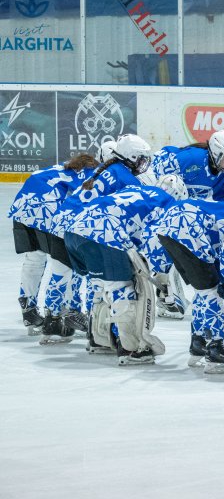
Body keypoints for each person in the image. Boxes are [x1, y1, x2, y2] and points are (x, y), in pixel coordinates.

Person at [63, 175, 187, 363]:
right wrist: (163, 278)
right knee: (123, 288)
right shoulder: (167, 203)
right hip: (104, 234)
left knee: (100, 286)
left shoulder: (138, 192)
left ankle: (100, 340)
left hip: (74, 232)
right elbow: (154, 242)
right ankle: (132, 348)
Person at [148, 197, 224, 374]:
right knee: (210, 291)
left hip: (169, 228)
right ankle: (215, 348)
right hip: (188, 228)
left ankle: (198, 342)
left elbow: (223, 256)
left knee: (203, 291)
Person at [148, 129, 224, 318]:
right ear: (216, 153)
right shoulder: (189, 159)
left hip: (190, 212)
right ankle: (164, 287)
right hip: (169, 201)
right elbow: (157, 174)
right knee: (165, 240)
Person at [9, 154, 100, 337]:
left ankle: (29, 309)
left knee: (34, 259)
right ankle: (58, 315)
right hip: (48, 215)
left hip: (22, 211)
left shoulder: (58, 168)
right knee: (65, 264)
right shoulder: (89, 174)